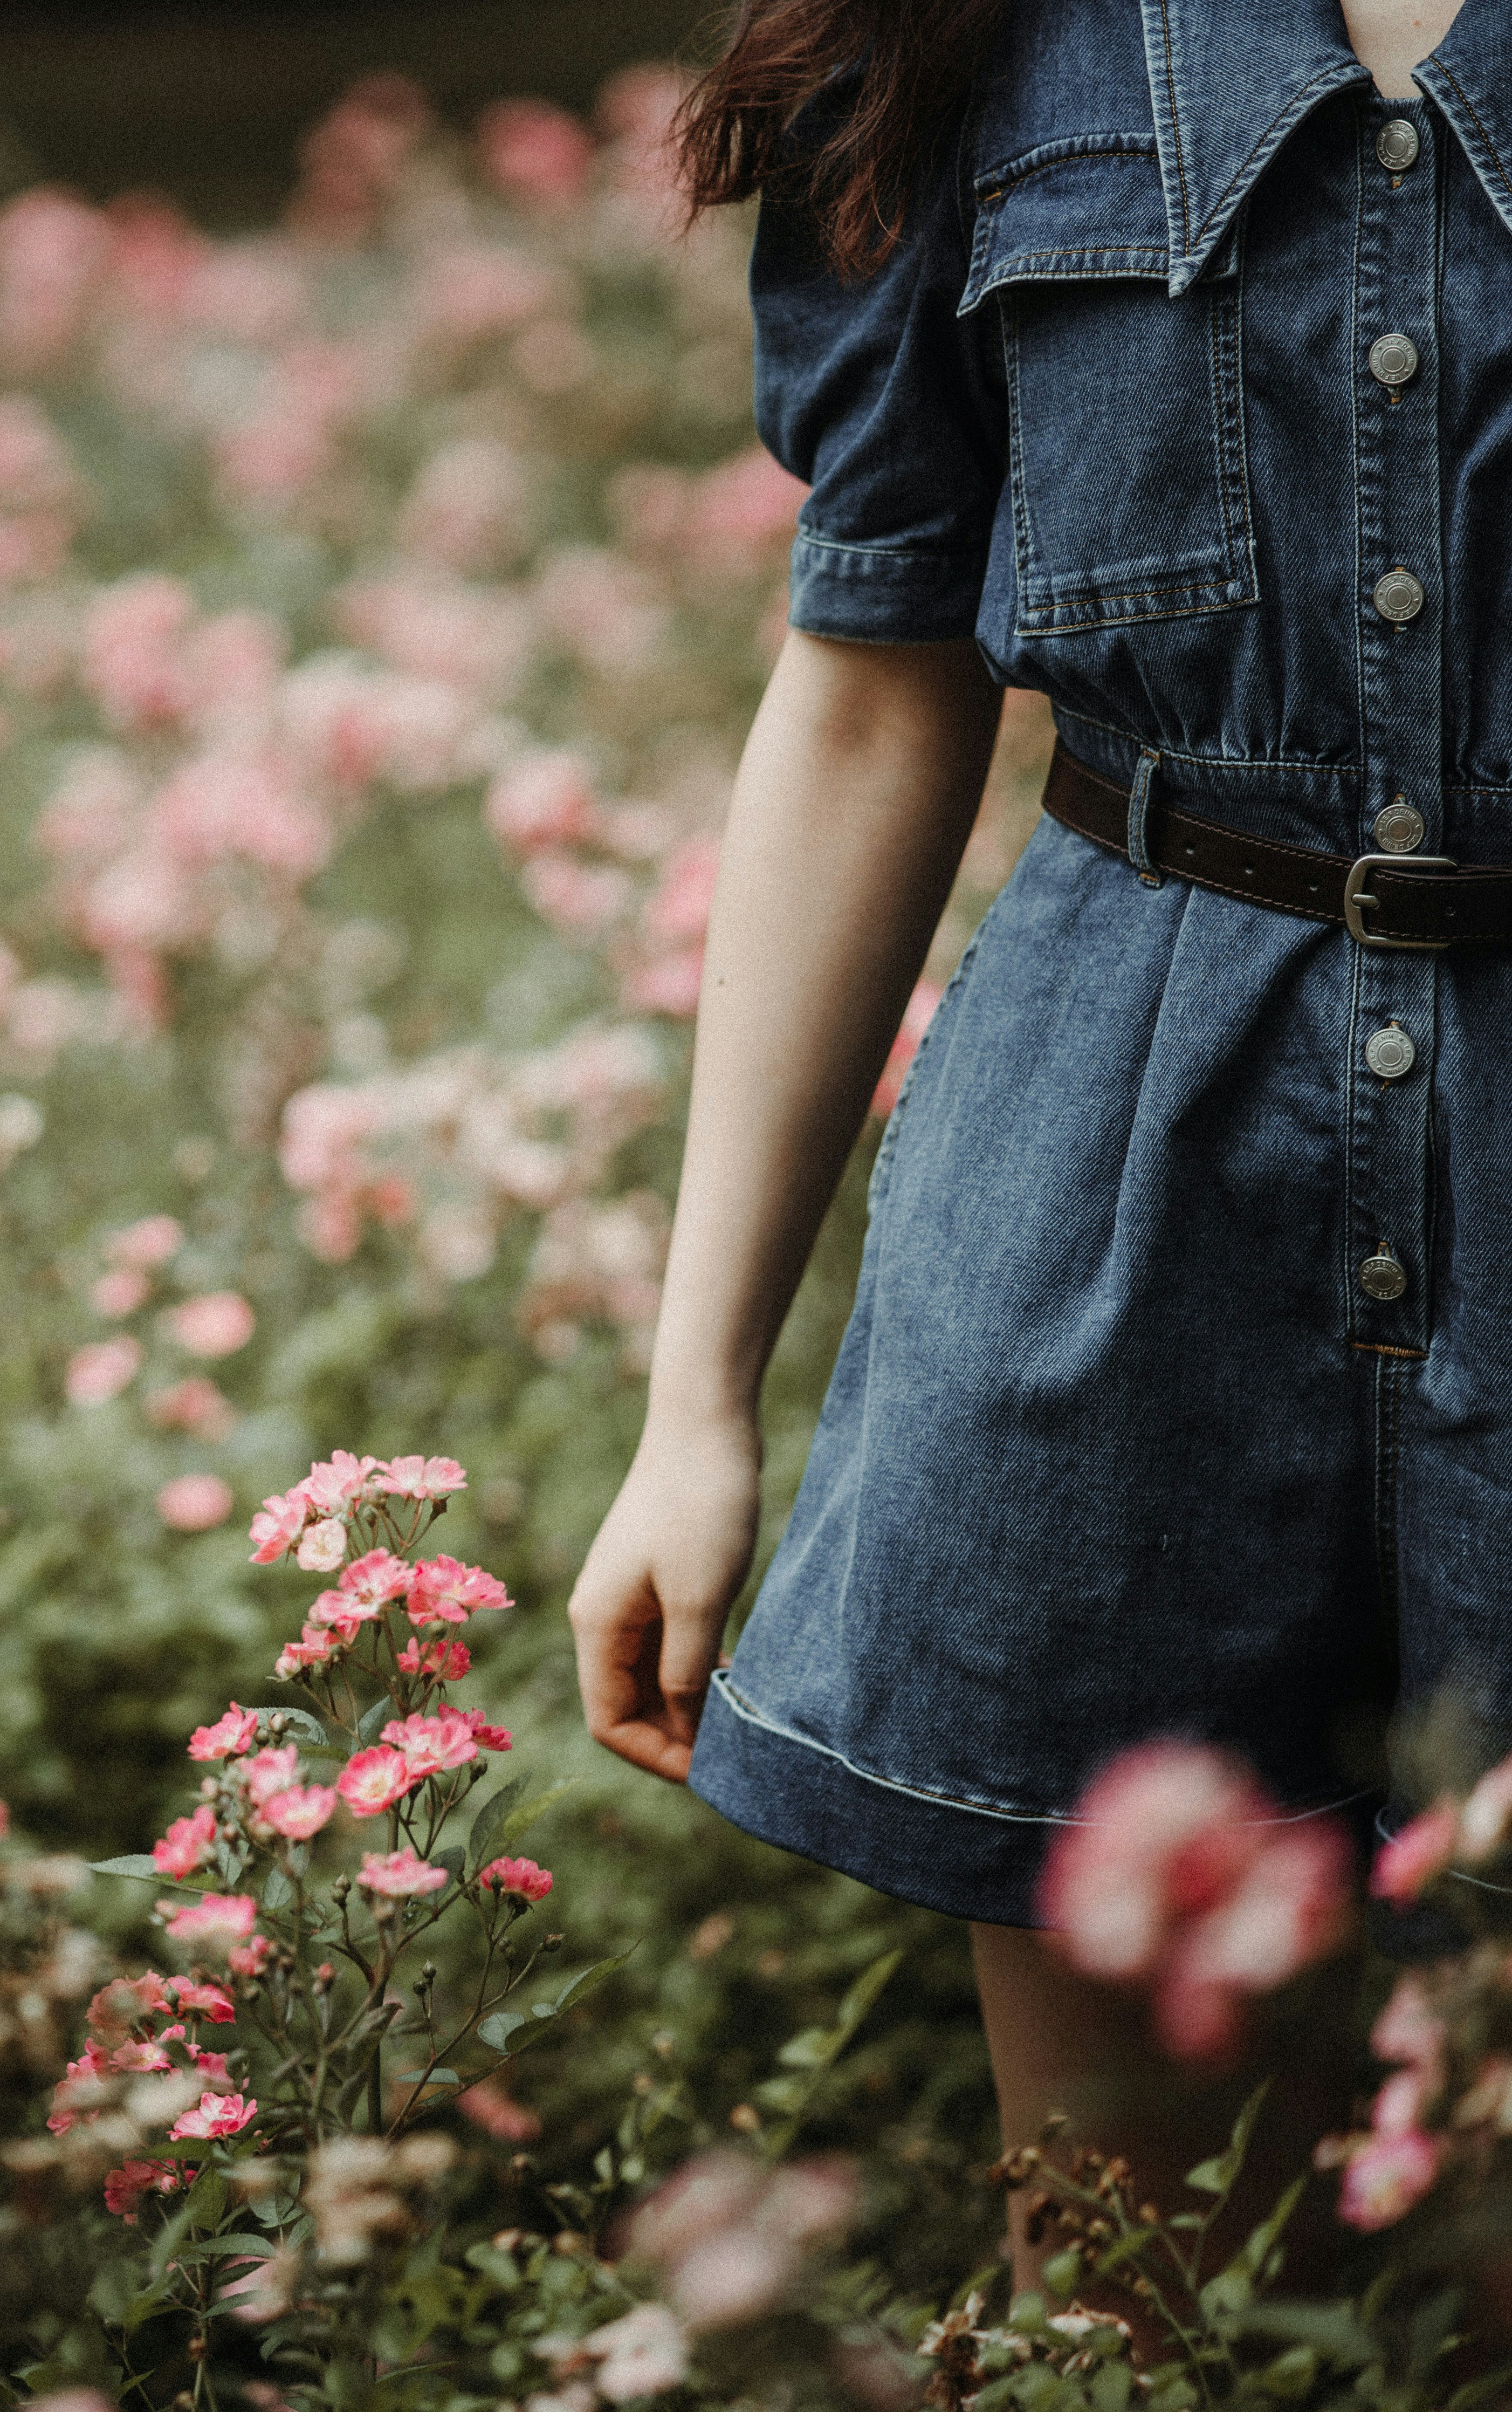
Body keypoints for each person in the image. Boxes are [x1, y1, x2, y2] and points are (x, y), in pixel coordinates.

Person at [568, 0, 1493, 2314]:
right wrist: (695, 1396)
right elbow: (872, 682)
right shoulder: (972, 29)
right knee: (1132, 2293)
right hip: (1111, 1235)